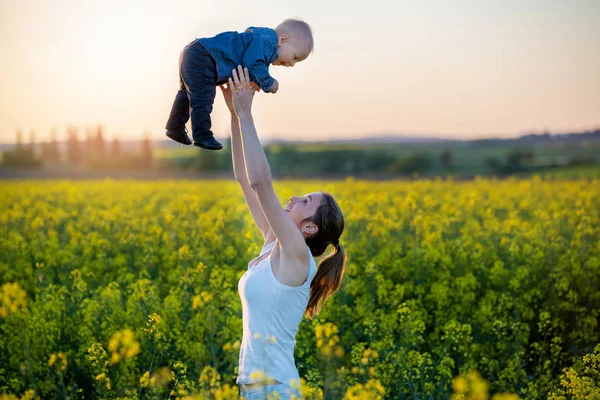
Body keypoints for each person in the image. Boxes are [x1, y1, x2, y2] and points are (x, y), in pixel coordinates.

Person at [221, 66, 347, 399]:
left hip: (275, 389)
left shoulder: (296, 255)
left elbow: (261, 183)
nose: (294, 198)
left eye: (305, 201)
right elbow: (243, 177)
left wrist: (248, 115)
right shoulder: (273, 244)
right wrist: (234, 112)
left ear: (310, 227)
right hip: (254, 386)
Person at [165, 18, 314, 151]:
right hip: (204, 56)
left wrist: (253, 79)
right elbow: (253, 63)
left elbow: (247, 61)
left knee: (187, 94)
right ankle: (202, 134)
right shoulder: (267, 42)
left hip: (194, 51)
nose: (292, 64)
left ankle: (175, 127)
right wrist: (269, 83)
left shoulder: (260, 40)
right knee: (203, 97)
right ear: (283, 40)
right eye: (295, 57)